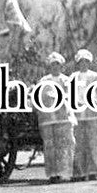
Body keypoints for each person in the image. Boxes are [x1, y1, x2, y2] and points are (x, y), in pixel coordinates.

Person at [33, 53, 76, 183]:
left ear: (61, 66)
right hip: (48, 118)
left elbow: (71, 96)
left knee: (65, 145)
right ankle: (53, 173)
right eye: (52, 64)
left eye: (57, 64)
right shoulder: (44, 81)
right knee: (50, 146)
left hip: (63, 117)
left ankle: (66, 172)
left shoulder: (66, 80)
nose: (55, 67)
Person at [70, 49, 97, 181]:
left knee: (96, 143)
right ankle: (80, 171)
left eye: (86, 61)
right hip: (78, 115)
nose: (83, 64)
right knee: (79, 144)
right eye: (81, 61)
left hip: (93, 115)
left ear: (90, 63)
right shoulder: (73, 77)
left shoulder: (95, 76)